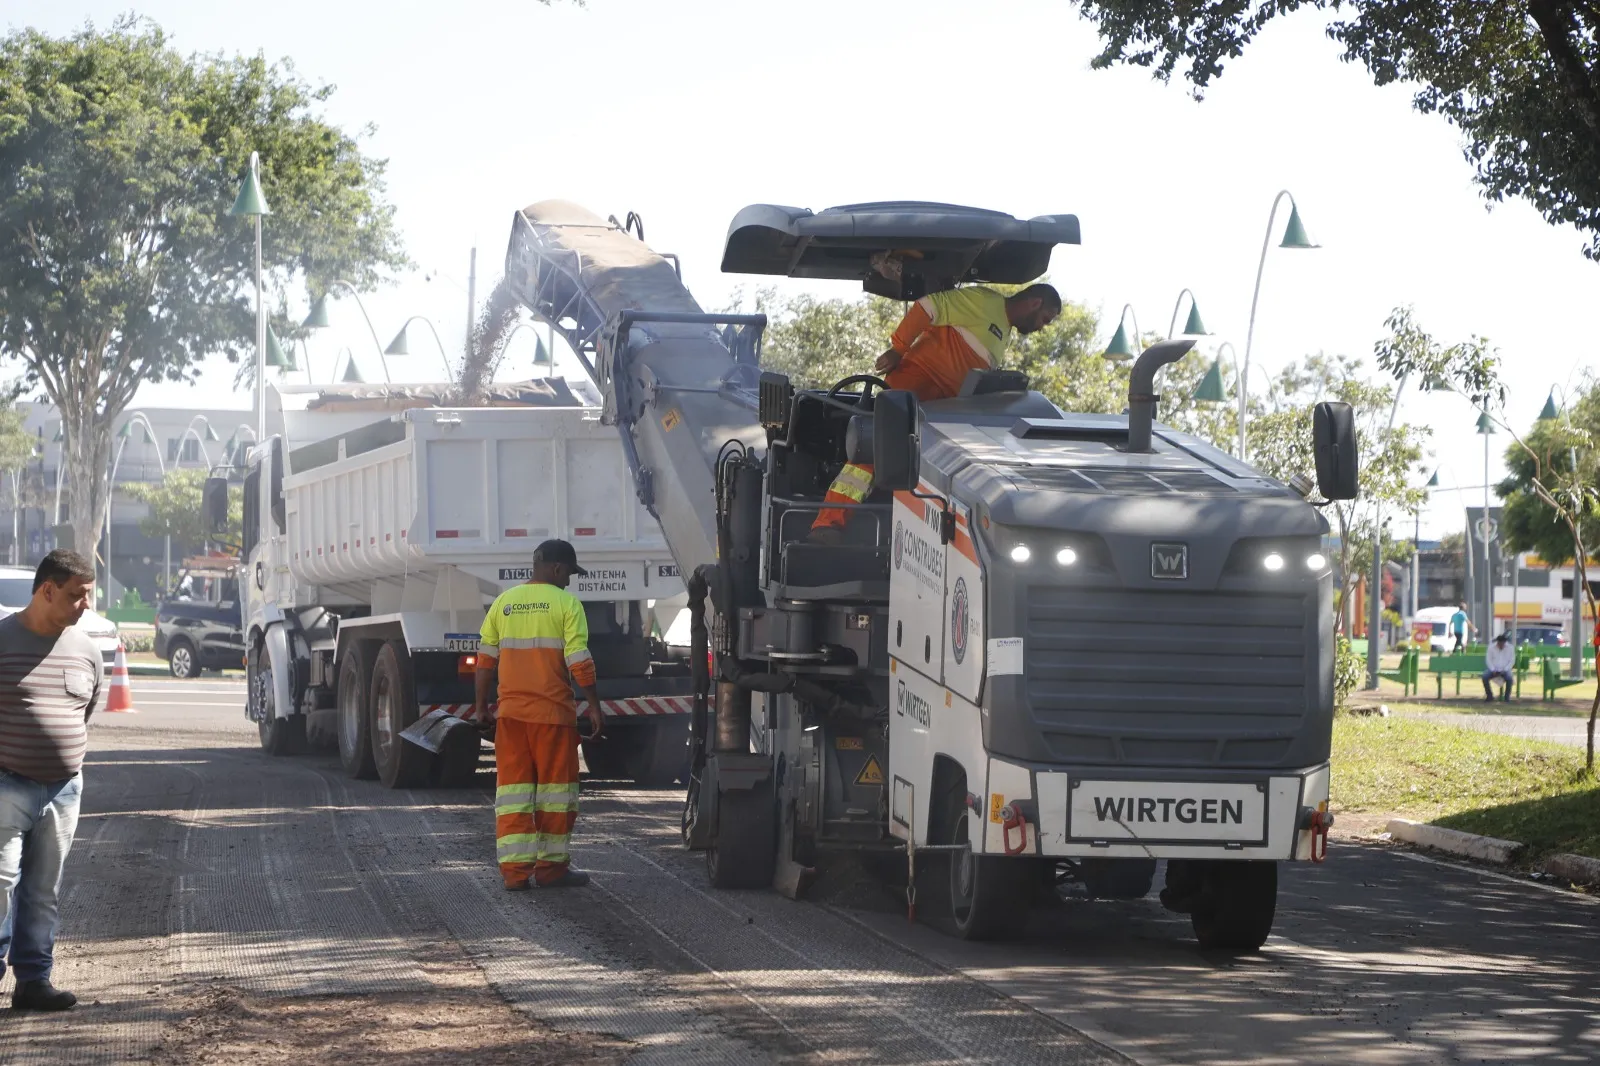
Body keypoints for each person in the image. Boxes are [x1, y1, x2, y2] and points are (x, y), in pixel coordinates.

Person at [810, 284, 1062, 539]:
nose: (1042, 326)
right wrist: (899, 348)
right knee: (874, 452)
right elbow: (928, 307)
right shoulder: (985, 302)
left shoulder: (1004, 331)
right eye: (1045, 319)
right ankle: (827, 525)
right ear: (1034, 303)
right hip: (914, 385)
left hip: (942, 409)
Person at [0, 550, 103, 1011]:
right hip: (6, 785)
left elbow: (88, 708)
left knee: (43, 891)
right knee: (1, 884)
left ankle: (33, 983)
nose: (85, 605)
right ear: (47, 590)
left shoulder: (86, 649)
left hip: (63, 790)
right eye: (77, 595)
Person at [474, 539, 603, 890]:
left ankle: (514, 876)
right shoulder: (566, 604)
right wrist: (593, 703)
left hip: (511, 718)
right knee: (556, 796)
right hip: (552, 718)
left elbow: (485, 661)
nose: (570, 581)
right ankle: (551, 870)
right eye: (569, 574)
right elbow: (579, 660)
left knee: (513, 796)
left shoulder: (503, 603)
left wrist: (482, 706)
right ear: (557, 569)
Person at [1482, 632, 1515, 702]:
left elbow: (1512, 661)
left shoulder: (1510, 648)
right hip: (1493, 669)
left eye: (1502, 644)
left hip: (1505, 669)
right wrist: (1493, 669)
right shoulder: (1491, 647)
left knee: (1509, 678)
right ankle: (1489, 696)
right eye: (1500, 644)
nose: (1501, 645)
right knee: (1485, 676)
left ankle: (1507, 697)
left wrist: (1505, 669)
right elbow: (1488, 660)